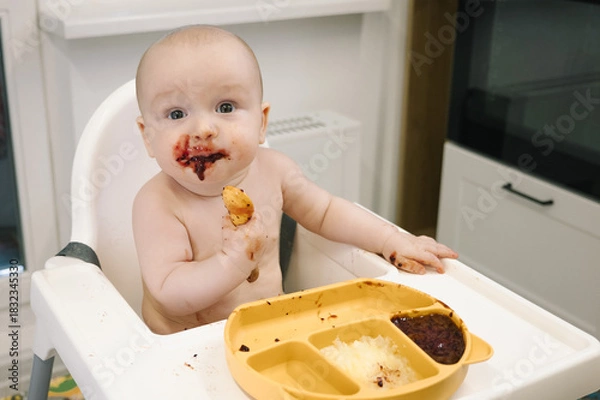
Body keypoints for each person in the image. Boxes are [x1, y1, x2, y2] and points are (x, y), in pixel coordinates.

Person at [133, 25, 458, 334]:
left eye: (226, 106)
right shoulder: (158, 202)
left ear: (261, 123)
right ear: (148, 137)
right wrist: (232, 263)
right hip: (184, 351)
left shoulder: (276, 171)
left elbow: (326, 211)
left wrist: (390, 240)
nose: (204, 128)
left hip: (267, 330)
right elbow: (168, 290)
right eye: (177, 114)